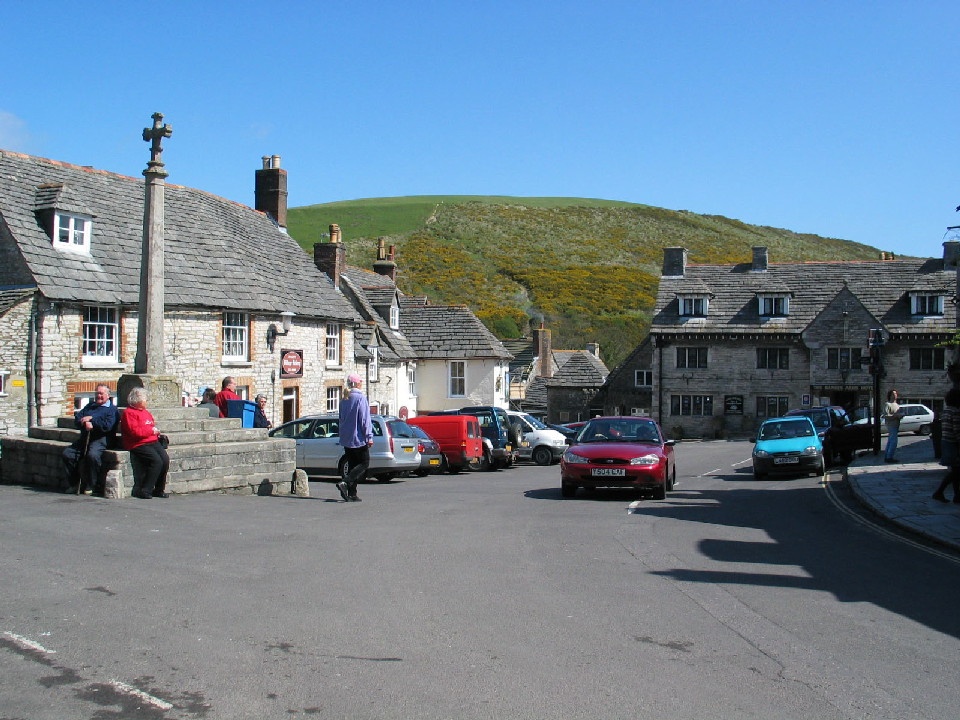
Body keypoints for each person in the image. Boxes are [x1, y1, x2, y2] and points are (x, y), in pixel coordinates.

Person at [62, 383, 120, 494]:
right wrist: (84, 423)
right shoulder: (90, 406)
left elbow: (107, 426)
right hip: (86, 437)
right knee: (68, 454)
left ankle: (92, 485)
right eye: (97, 393)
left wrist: (92, 421)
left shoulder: (112, 410)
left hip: (102, 438)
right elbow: (78, 418)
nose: (99, 396)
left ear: (108, 395)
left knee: (92, 456)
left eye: (101, 393)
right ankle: (74, 483)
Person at [121, 387, 171, 499]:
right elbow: (135, 432)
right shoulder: (129, 413)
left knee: (165, 460)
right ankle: (146, 489)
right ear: (137, 400)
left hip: (151, 440)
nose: (146, 401)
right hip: (137, 443)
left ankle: (159, 489)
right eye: (145, 399)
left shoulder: (146, 412)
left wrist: (155, 432)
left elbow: (150, 426)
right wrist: (151, 431)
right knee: (156, 461)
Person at [337, 373, 373, 502]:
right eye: (361, 382)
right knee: (364, 463)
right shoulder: (360, 398)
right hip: (358, 437)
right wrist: (369, 436)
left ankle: (352, 493)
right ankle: (346, 482)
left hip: (347, 438)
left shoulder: (344, 399)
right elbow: (365, 419)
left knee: (352, 465)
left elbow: (340, 418)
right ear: (357, 384)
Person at [933, 389, 960, 503]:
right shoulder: (955, 412)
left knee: (955, 470)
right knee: (956, 471)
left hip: (946, 442)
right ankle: (939, 492)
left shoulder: (946, 411)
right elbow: (957, 431)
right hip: (954, 443)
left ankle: (957, 496)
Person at [883, 389, 904, 463]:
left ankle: (887, 456)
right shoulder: (887, 404)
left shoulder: (897, 405)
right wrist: (896, 416)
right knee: (894, 442)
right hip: (891, 425)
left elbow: (899, 414)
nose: (895, 395)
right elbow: (886, 416)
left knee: (890, 441)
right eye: (893, 394)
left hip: (896, 424)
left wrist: (901, 416)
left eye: (895, 394)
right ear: (890, 395)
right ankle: (889, 457)